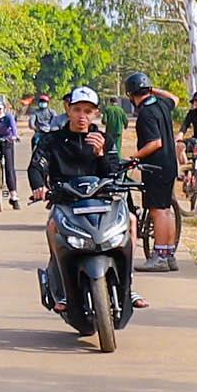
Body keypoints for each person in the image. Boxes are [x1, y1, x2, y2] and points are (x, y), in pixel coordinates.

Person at [30, 84, 139, 325]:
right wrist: (39, 186)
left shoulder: (104, 139)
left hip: (101, 201)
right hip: (66, 202)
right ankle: (62, 291)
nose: (82, 116)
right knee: (52, 229)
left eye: (88, 111)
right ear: (68, 109)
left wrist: (101, 154)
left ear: (96, 114)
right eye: (77, 109)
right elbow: (37, 166)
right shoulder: (53, 140)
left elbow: (113, 170)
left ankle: (129, 286)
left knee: (131, 220)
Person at [123, 70, 185, 272]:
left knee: (157, 212)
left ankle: (159, 256)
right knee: (166, 210)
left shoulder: (145, 114)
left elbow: (154, 143)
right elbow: (174, 98)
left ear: (131, 94)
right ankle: (169, 254)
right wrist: (152, 89)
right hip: (169, 164)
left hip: (155, 166)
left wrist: (134, 157)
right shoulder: (161, 105)